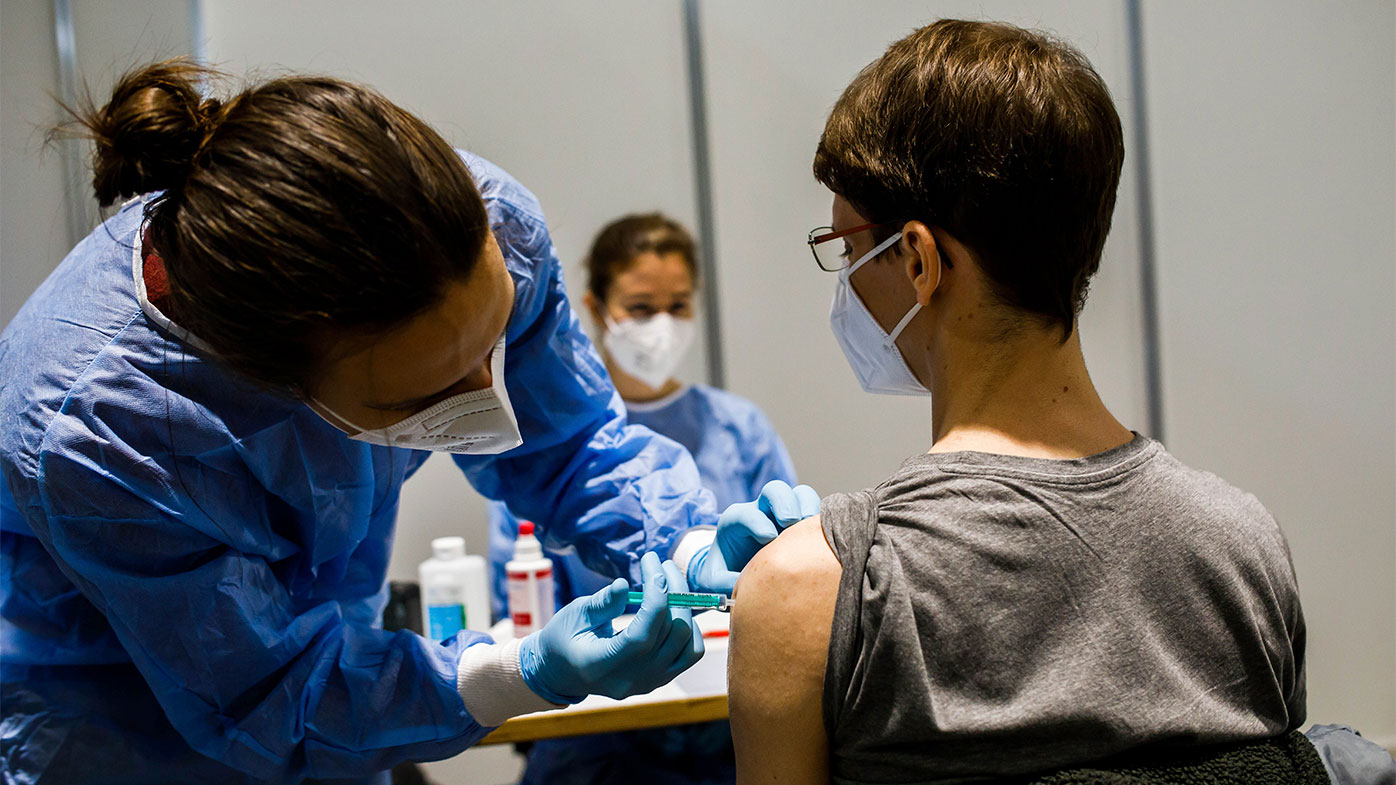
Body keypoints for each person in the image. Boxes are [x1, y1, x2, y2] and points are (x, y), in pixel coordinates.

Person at [0, 61, 817, 785]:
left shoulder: (476, 224)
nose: (490, 396)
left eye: (493, 341)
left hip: (337, 682)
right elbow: (270, 692)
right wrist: (519, 671)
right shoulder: (101, 430)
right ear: (281, 383)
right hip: (117, 727)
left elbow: (568, 439)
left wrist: (684, 542)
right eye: (430, 390)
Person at [727, 19, 1322, 783]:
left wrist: (781, 578)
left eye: (849, 251)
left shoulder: (812, 591)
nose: (844, 284)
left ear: (917, 259)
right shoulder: (1245, 547)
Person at [488, 213, 799, 784]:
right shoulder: (552, 444)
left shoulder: (737, 428)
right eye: (640, 306)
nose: (660, 324)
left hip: (722, 722)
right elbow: (523, 600)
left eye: (678, 305)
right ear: (594, 306)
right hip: (596, 731)